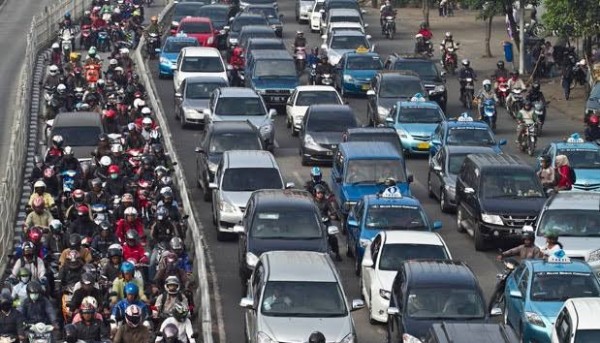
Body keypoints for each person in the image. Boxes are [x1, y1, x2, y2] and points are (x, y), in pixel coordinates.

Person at [314, 184, 342, 261]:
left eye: (321, 193)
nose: (320, 195)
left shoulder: (326, 202)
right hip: (315, 222)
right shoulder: (312, 202)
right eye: (318, 193)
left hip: (326, 221)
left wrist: (333, 215)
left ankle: (337, 253)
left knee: (333, 237)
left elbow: (332, 210)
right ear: (315, 193)